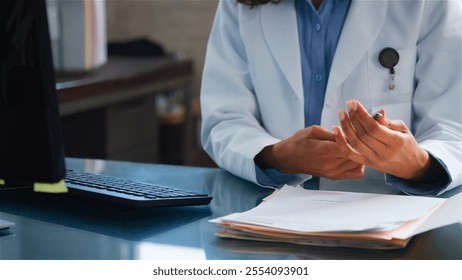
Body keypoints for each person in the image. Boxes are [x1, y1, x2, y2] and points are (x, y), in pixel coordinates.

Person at [200, 0, 462, 196]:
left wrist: (415, 163)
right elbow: (224, 118)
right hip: (270, 215)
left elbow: (453, 127)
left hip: (392, 220)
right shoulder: (240, 5)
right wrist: (277, 156)